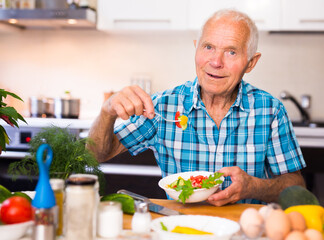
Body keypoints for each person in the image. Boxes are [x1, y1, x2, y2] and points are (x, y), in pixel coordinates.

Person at [88, 9, 306, 206]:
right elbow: (96, 154)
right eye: (208, 47)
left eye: (231, 52)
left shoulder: (270, 111)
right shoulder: (162, 106)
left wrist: (254, 187)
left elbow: (296, 187)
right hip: (179, 227)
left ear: (251, 62)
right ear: (196, 48)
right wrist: (107, 112)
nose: (216, 62)